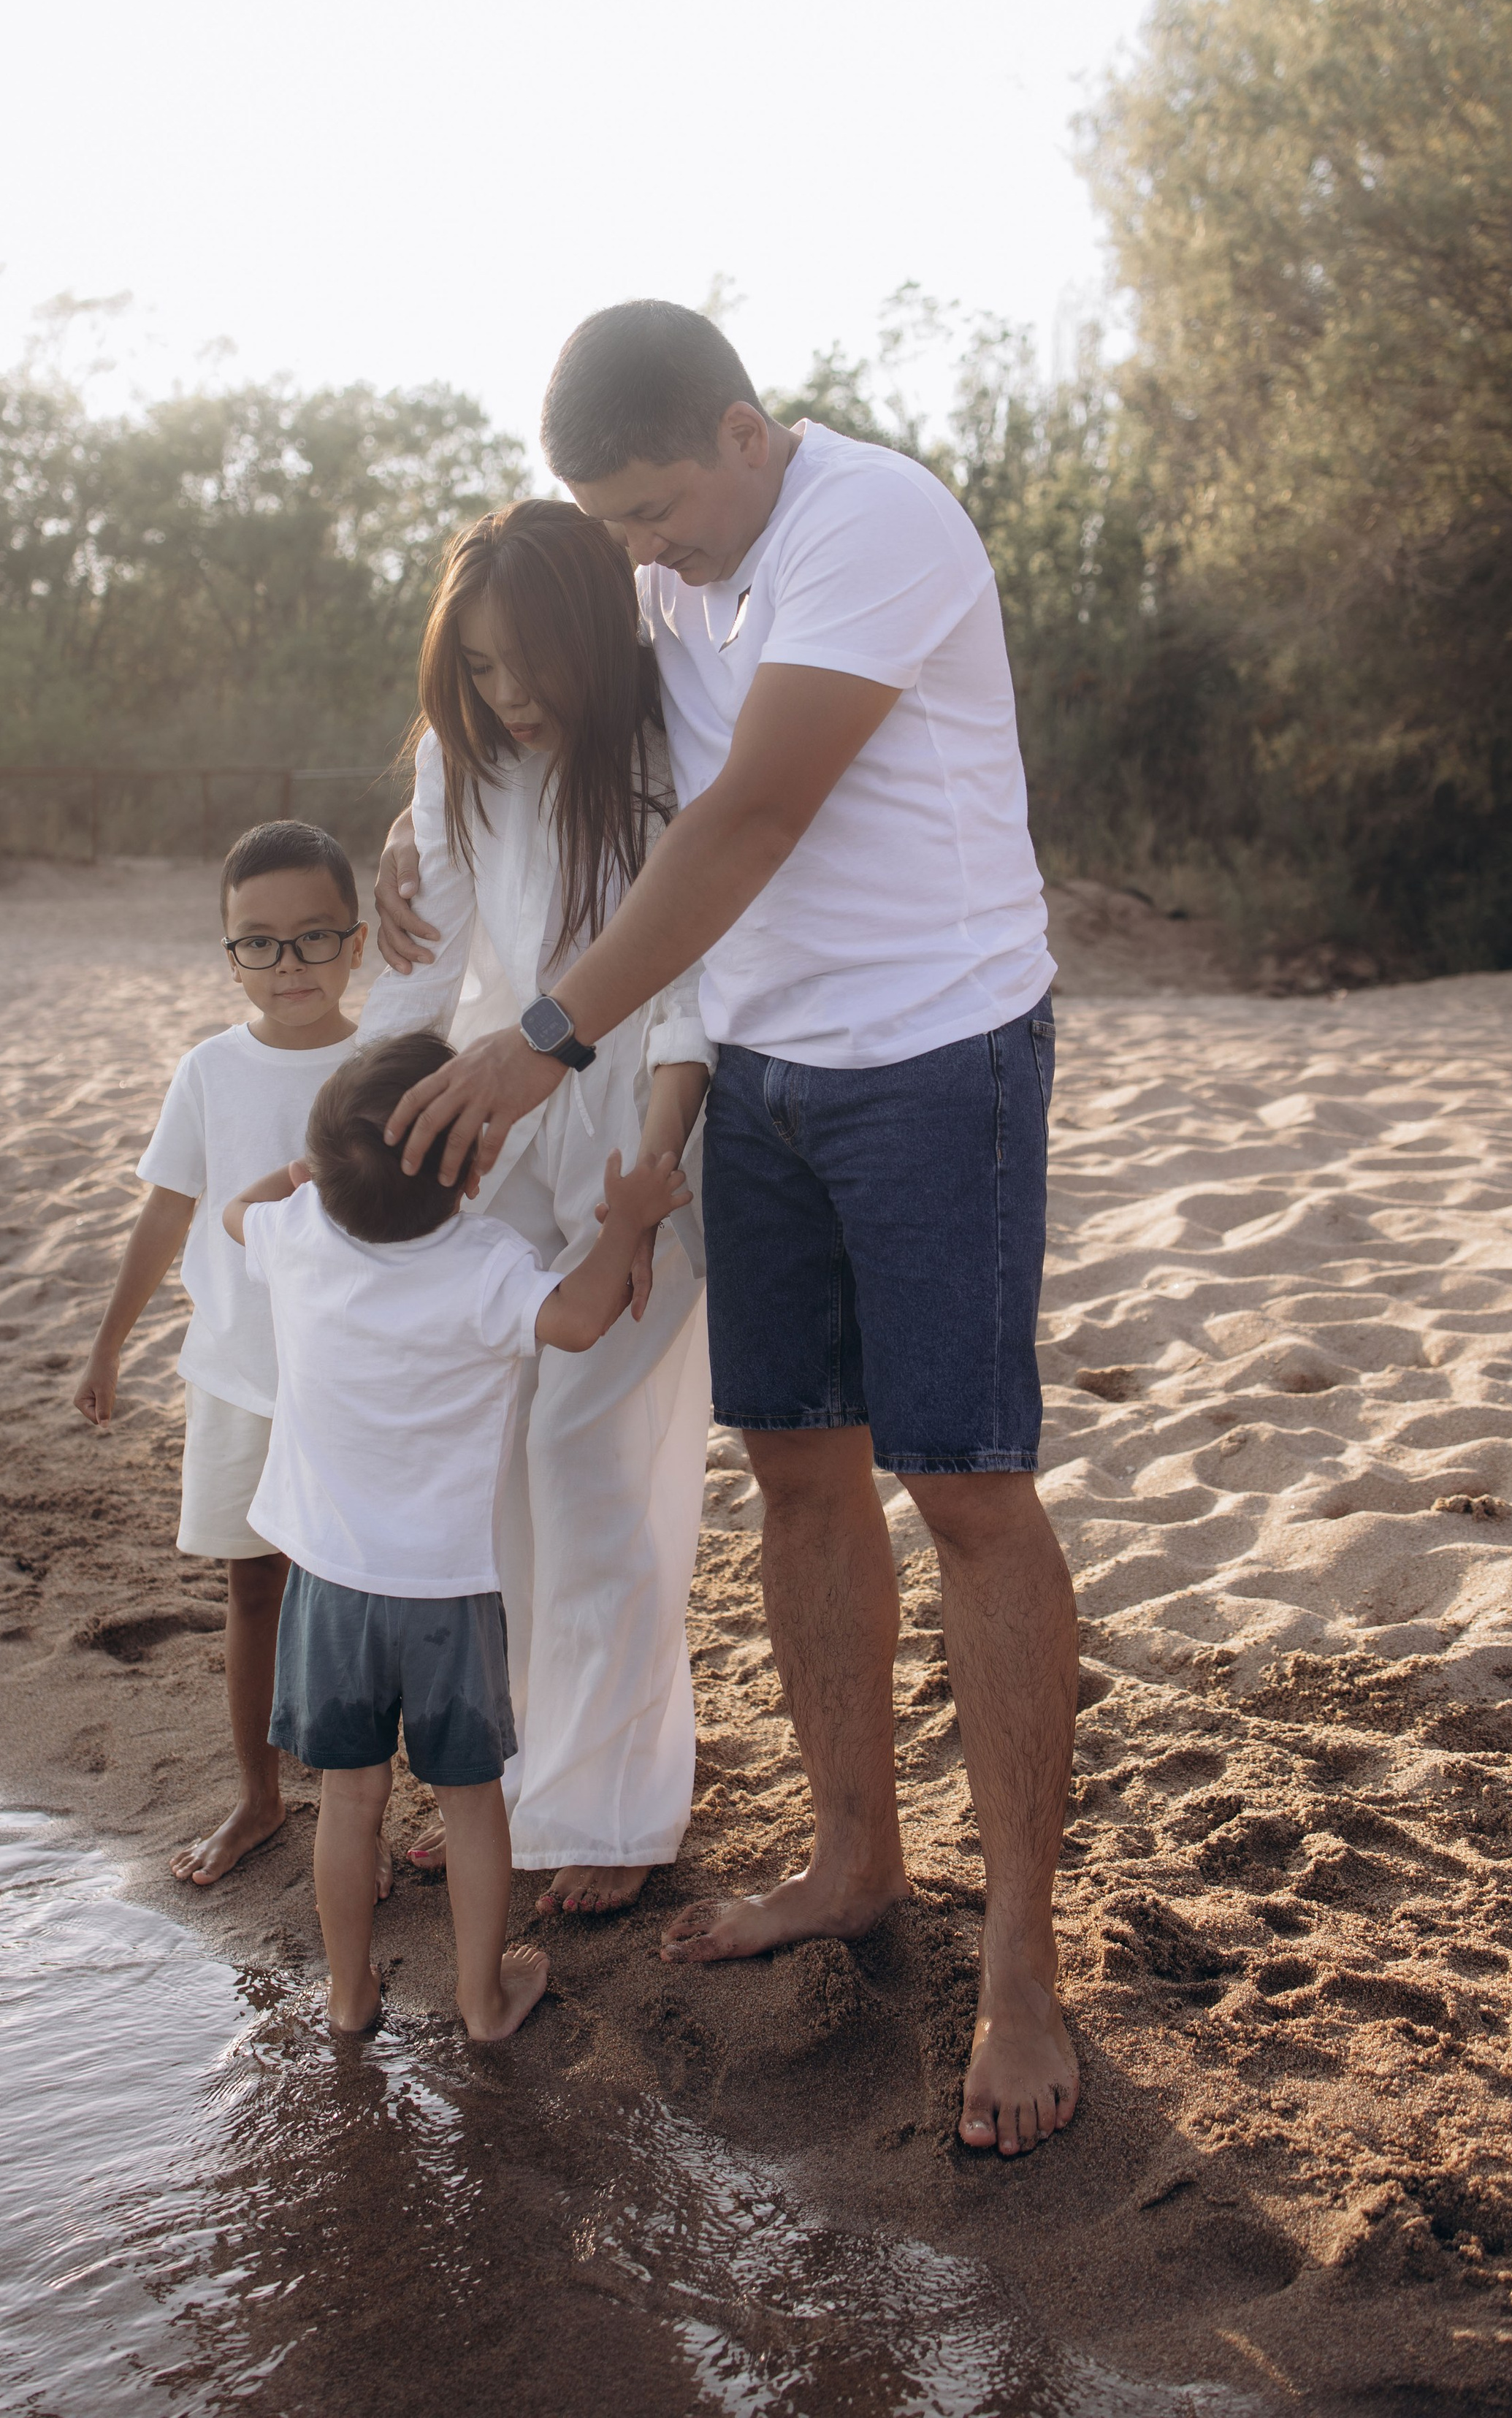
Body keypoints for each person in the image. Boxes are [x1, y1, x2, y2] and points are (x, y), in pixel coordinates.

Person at [375, 301, 1078, 2157]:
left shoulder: (869, 522)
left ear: (746, 434)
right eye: (608, 521)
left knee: (971, 1488)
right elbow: (534, 716)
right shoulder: (662, 573)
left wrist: (546, 1040)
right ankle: (856, 1857)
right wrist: (411, 819)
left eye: (656, 511)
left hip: (935, 1060)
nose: (639, 554)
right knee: (793, 1473)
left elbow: (752, 815)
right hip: (760, 1076)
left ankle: (1019, 1954)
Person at [354, 498, 713, 1917]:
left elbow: (694, 974)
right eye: (481, 673)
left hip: (644, 1121)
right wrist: (355, 1158)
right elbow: (413, 977)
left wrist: (654, 1164)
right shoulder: (460, 758)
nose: (510, 698)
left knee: (589, 1457)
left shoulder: (668, 748)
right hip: (493, 1119)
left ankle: (613, 1808)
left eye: (530, 666)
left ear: (594, 637)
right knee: (487, 1454)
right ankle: (504, 1778)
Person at [223, 1031, 693, 2040]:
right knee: (473, 1802)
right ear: (476, 1167)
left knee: (350, 1802)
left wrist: (306, 1171)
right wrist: (628, 1222)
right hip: (445, 1596)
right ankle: (482, 2002)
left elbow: (236, 1213)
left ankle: (350, 1998)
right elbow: (576, 1320)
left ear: (321, 1171)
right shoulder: (484, 1263)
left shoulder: (297, 1230)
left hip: (330, 1586)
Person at [74, 818, 372, 1892]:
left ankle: (354, 1815)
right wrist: (109, 1343)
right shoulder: (210, 1070)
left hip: (348, 1385)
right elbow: (166, 1213)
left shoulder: (380, 1066)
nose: (286, 964)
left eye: (311, 938)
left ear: (357, 941)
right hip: (238, 1374)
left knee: (348, 1596)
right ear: (230, 950)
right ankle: (257, 1795)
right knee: (253, 1592)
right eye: (258, 942)